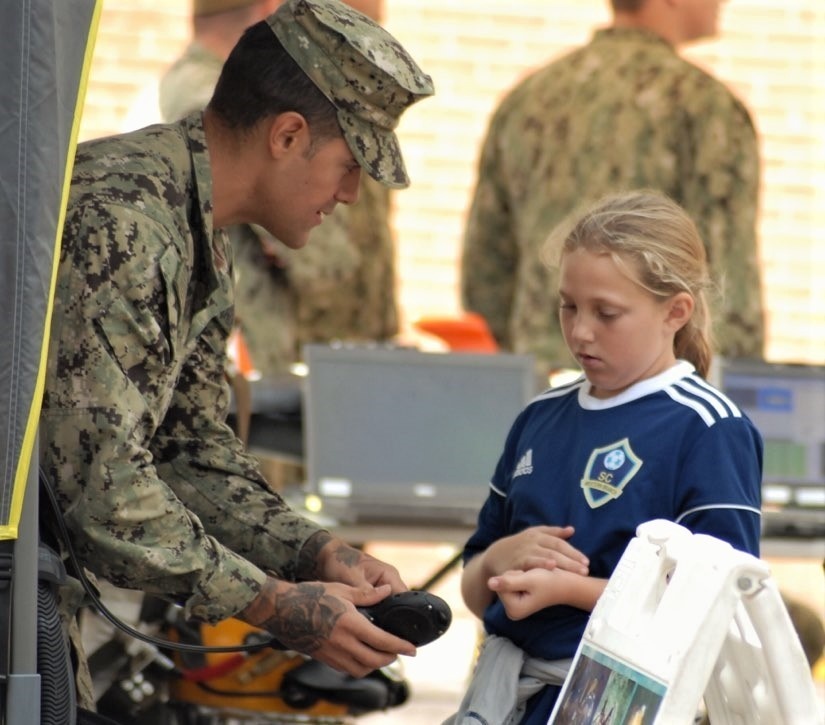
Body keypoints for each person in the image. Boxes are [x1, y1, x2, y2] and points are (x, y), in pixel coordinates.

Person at [39, 0, 433, 710]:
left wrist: (315, 553)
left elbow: (187, 449)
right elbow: (105, 491)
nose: (349, 195)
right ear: (287, 135)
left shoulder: (194, 228)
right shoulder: (128, 226)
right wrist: (277, 604)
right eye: (348, 166)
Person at [445, 189, 763, 724]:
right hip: (506, 700)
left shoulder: (707, 428)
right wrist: (502, 559)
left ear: (675, 311)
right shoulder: (538, 417)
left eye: (607, 313)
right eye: (568, 306)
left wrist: (570, 591)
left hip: (626, 703)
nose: (580, 331)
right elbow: (476, 589)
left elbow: (722, 608)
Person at [461, 0, 764, 378]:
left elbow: (486, 272)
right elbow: (731, 289)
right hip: (655, 404)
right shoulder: (707, 109)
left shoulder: (530, 100)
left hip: (541, 390)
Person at [160, 0, 398, 377]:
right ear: (273, 11)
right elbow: (326, 261)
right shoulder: (207, 94)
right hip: (271, 354)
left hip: (317, 348)